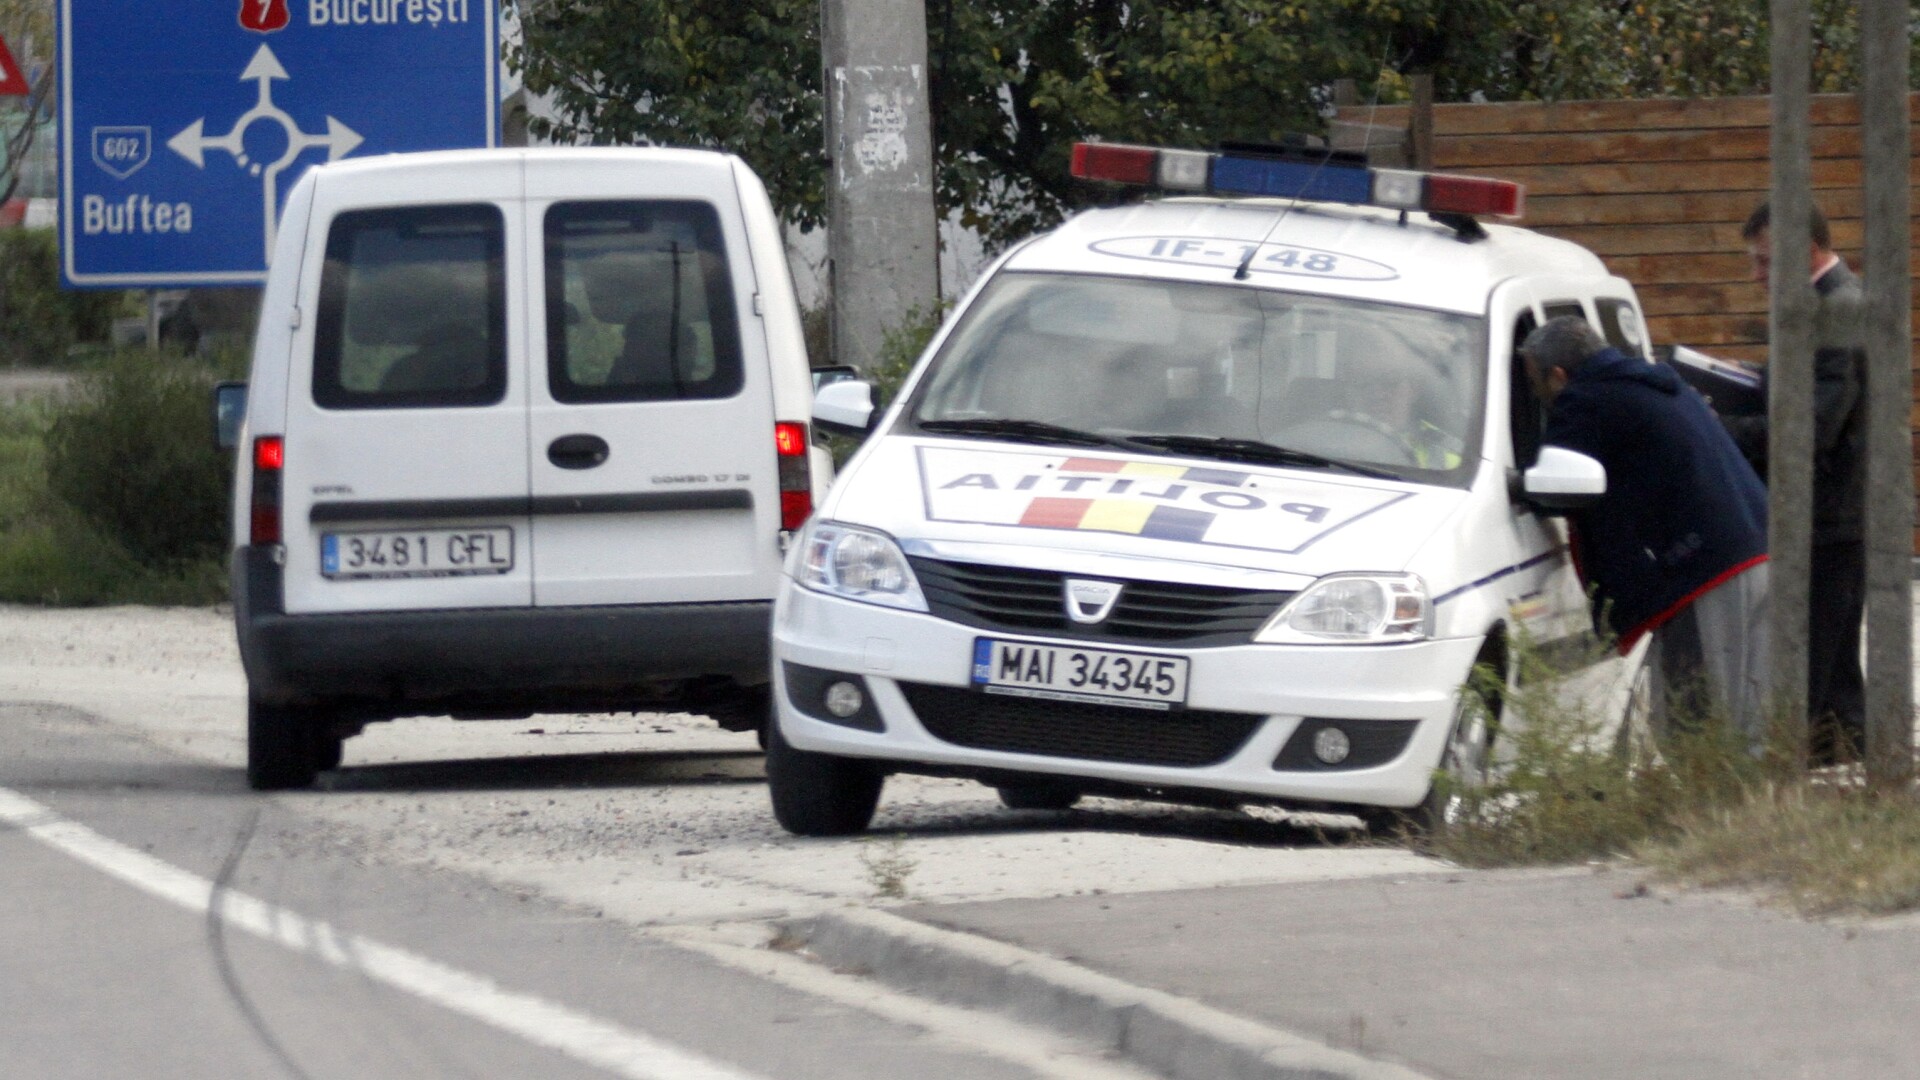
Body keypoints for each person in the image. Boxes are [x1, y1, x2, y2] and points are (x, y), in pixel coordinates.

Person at [1520, 316, 1772, 747]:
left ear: (1558, 376)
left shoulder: (1586, 400)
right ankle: (1744, 804)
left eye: (1535, 384)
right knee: (1744, 707)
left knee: (1697, 716)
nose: (1536, 396)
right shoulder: (1648, 383)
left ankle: (1722, 809)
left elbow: (1551, 488)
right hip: (1752, 547)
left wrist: (1514, 482)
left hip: (1707, 570)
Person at [1721, 201, 1866, 765]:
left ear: (1803, 252)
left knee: (1808, 670)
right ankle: (1853, 786)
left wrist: (1724, 429)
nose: (1756, 278)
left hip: (1826, 518)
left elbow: (1813, 425)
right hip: (1827, 515)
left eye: (1764, 264)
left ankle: (1793, 791)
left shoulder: (1835, 314)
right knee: (1833, 680)